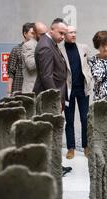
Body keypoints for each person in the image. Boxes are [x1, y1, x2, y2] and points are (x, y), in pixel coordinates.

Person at [33, 18, 71, 176]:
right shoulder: (46, 46)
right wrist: (56, 99)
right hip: (49, 99)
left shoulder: (51, 44)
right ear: (52, 29)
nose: (63, 36)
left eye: (65, 34)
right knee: (49, 134)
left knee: (53, 134)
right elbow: (47, 76)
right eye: (61, 33)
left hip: (54, 97)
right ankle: (50, 168)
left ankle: (55, 166)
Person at [59, 26, 93, 159]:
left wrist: (90, 77)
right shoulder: (59, 50)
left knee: (85, 119)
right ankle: (71, 148)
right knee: (69, 120)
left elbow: (91, 63)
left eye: (74, 32)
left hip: (83, 89)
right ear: (64, 35)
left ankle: (86, 146)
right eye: (70, 33)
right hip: (68, 91)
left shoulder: (84, 47)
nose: (73, 35)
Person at [7, 22, 35, 96]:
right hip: (18, 88)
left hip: (32, 88)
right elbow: (11, 72)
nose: (34, 35)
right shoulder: (17, 49)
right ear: (25, 34)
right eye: (32, 33)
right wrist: (9, 92)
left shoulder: (37, 49)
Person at [21, 21, 48, 93]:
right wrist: (44, 54)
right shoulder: (28, 45)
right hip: (31, 89)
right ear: (35, 34)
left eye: (46, 34)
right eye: (42, 34)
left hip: (43, 88)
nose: (45, 36)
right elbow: (31, 65)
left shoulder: (44, 44)